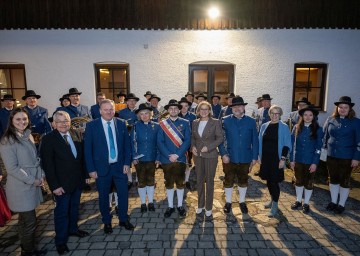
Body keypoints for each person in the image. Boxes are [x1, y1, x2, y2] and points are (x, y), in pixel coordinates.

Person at [40, 111, 90, 254]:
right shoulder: (48, 139)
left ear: (70, 122)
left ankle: (73, 229)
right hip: (61, 185)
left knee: (74, 208)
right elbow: (48, 165)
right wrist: (54, 186)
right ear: (54, 124)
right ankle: (60, 241)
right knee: (61, 212)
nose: (63, 124)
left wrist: (85, 174)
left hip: (77, 181)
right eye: (60, 121)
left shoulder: (77, 134)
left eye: (66, 120)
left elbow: (82, 157)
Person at [0, 108, 47, 256]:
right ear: (11, 121)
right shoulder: (7, 140)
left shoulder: (27, 135)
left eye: (25, 119)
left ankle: (25, 247)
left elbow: (35, 159)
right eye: (18, 119)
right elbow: (12, 168)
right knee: (30, 221)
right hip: (21, 186)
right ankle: (28, 251)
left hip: (31, 182)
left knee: (24, 221)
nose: (22, 122)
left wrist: (42, 174)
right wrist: (33, 180)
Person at [84, 99, 134, 234]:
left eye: (111, 109)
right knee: (104, 197)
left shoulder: (122, 123)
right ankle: (107, 221)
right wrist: (91, 169)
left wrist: (126, 163)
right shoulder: (92, 126)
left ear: (114, 110)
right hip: (101, 169)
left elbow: (127, 146)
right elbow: (87, 150)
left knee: (123, 194)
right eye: (105, 109)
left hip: (119, 167)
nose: (109, 112)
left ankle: (123, 219)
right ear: (100, 111)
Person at [219, 96, 259, 214]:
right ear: (232, 108)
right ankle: (228, 202)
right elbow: (221, 139)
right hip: (229, 157)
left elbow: (255, 140)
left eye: (239, 106)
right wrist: (223, 154)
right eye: (234, 106)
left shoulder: (251, 121)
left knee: (243, 180)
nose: (237, 108)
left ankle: (242, 202)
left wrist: (254, 157)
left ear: (243, 107)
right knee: (228, 180)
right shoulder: (225, 120)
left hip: (245, 157)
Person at [323, 96, 360, 214]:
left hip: (347, 157)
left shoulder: (356, 122)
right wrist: (322, 151)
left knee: (344, 181)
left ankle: (341, 204)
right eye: (340, 107)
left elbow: (359, 141)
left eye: (345, 107)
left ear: (350, 109)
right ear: (337, 108)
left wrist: (356, 157)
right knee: (333, 179)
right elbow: (324, 136)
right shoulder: (331, 119)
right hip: (331, 155)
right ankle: (333, 201)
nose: (343, 109)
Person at [157, 99, 191, 218]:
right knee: (169, 183)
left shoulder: (185, 122)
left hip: (180, 158)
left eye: (176, 108)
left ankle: (180, 206)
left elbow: (187, 140)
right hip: (167, 159)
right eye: (171, 109)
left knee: (180, 183)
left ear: (179, 110)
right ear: (168, 110)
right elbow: (160, 142)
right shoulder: (162, 124)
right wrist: (169, 155)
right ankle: (170, 206)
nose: (173, 110)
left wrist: (177, 155)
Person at [258, 105, 291, 217]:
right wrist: (259, 156)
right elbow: (259, 141)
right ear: (269, 114)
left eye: (277, 113)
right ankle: (272, 200)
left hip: (277, 159)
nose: (274, 115)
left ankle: (275, 205)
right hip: (266, 158)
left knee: (274, 181)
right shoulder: (264, 126)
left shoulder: (284, 127)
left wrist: (283, 159)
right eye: (272, 113)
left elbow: (287, 144)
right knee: (268, 180)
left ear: (280, 114)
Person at [191, 101, 223, 218]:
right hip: (198, 155)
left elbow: (220, 138)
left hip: (210, 155)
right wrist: (192, 147)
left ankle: (208, 206)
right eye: (201, 109)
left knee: (209, 181)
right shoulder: (194, 122)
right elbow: (193, 137)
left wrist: (208, 147)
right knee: (199, 180)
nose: (204, 111)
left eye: (206, 109)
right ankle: (200, 205)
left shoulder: (215, 122)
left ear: (209, 111)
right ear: (198, 111)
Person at [290, 106, 323, 214]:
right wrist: (291, 160)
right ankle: (298, 200)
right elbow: (292, 145)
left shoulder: (318, 129)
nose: (308, 117)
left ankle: (306, 203)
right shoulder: (296, 128)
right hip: (298, 160)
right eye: (305, 115)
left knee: (308, 183)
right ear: (302, 116)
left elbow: (318, 148)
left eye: (310, 115)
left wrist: (315, 163)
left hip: (310, 161)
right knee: (298, 181)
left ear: (313, 117)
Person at [130, 103, 160, 212]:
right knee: (141, 181)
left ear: (151, 114)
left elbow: (159, 143)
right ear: (139, 116)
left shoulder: (157, 126)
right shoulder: (135, 126)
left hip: (152, 158)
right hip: (139, 159)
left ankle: (151, 202)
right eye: (141, 114)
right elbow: (132, 143)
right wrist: (133, 157)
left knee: (151, 180)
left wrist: (158, 157)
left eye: (146, 113)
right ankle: (143, 203)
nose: (144, 116)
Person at [118, 93, 140, 187]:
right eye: (130, 100)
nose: (132, 102)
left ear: (135, 102)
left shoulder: (140, 111)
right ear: (126, 102)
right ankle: (130, 180)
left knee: (137, 158)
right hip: (126, 137)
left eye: (133, 101)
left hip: (137, 138)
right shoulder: (122, 112)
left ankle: (138, 179)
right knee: (128, 158)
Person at [178, 97, 196, 189]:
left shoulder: (193, 116)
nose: (184, 108)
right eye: (182, 106)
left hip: (189, 143)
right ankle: (179, 179)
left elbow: (195, 131)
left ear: (189, 106)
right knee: (179, 162)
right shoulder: (176, 116)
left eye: (186, 106)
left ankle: (187, 180)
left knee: (188, 162)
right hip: (178, 144)